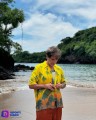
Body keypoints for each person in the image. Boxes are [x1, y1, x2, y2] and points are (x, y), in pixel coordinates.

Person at [28, 46, 66, 120]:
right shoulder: (39, 68)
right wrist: (45, 86)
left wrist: (61, 85)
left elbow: (64, 84)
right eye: (52, 59)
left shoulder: (59, 69)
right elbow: (31, 85)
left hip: (57, 103)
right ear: (47, 57)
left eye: (56, 59)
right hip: (43, 104)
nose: (54, 62)